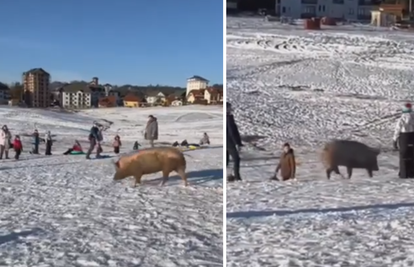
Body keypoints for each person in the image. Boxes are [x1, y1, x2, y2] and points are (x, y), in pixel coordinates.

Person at [393, 102, 414, 178]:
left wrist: (394, 140)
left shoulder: (402, 118)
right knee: (412, 155)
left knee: (403, 156)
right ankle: (411, 172)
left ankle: (404, 173)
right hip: (412, 136)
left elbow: (397, 130)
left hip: (404, 137)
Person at [227, 102, 243, 182]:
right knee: (236, 159)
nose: (231, 109)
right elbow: (232, 131)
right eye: (229, 107)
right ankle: (237, 176)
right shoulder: (228, 118)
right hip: (230, 142)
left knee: (226, 160)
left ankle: (227, 176)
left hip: (226, 141)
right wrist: (236, 143)